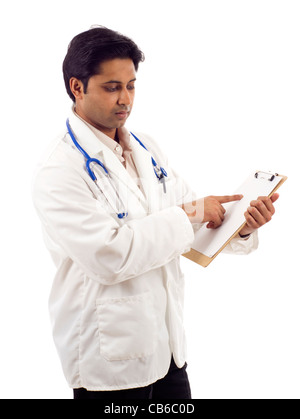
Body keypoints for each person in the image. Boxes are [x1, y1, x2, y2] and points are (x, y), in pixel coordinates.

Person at [32, 27, 279, 400]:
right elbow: (109, 257)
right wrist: (190, 214)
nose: (125, 99)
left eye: (131, 85)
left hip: (167, 352)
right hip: (108, 362)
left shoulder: (146, 148)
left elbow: (192, 231)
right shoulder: (59, 170)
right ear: (77, 87)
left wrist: (241, 225)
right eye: (112, 87)